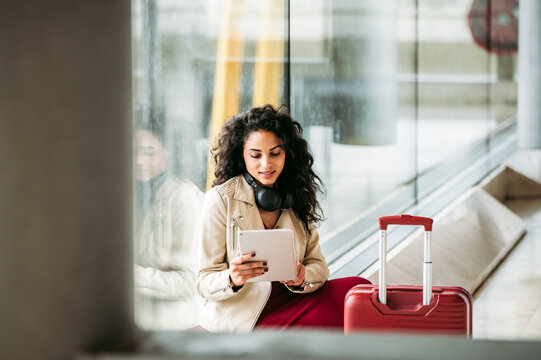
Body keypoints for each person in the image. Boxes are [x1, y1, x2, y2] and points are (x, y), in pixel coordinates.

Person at [197, 104, 371, 333]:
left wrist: (303, 277)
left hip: (295, 299)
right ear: (241, 155)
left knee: (360, 290)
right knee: (351, 315)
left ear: (287, 152)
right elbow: (203, 281)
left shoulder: (295, 195)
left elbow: (318, 265)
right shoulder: (220, 199)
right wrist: (232, 278)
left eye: (275, 153)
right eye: (255, 155)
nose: (266, 164)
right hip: (248, 314)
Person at [134, 106, 204, 330]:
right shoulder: (131, 193)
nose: (138, 161)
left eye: (149, 152)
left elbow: (190, 282)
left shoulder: (184, 197)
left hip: (176, 326)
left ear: (168, 152)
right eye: (132, 151)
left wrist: (128, 276)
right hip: (138, 320)